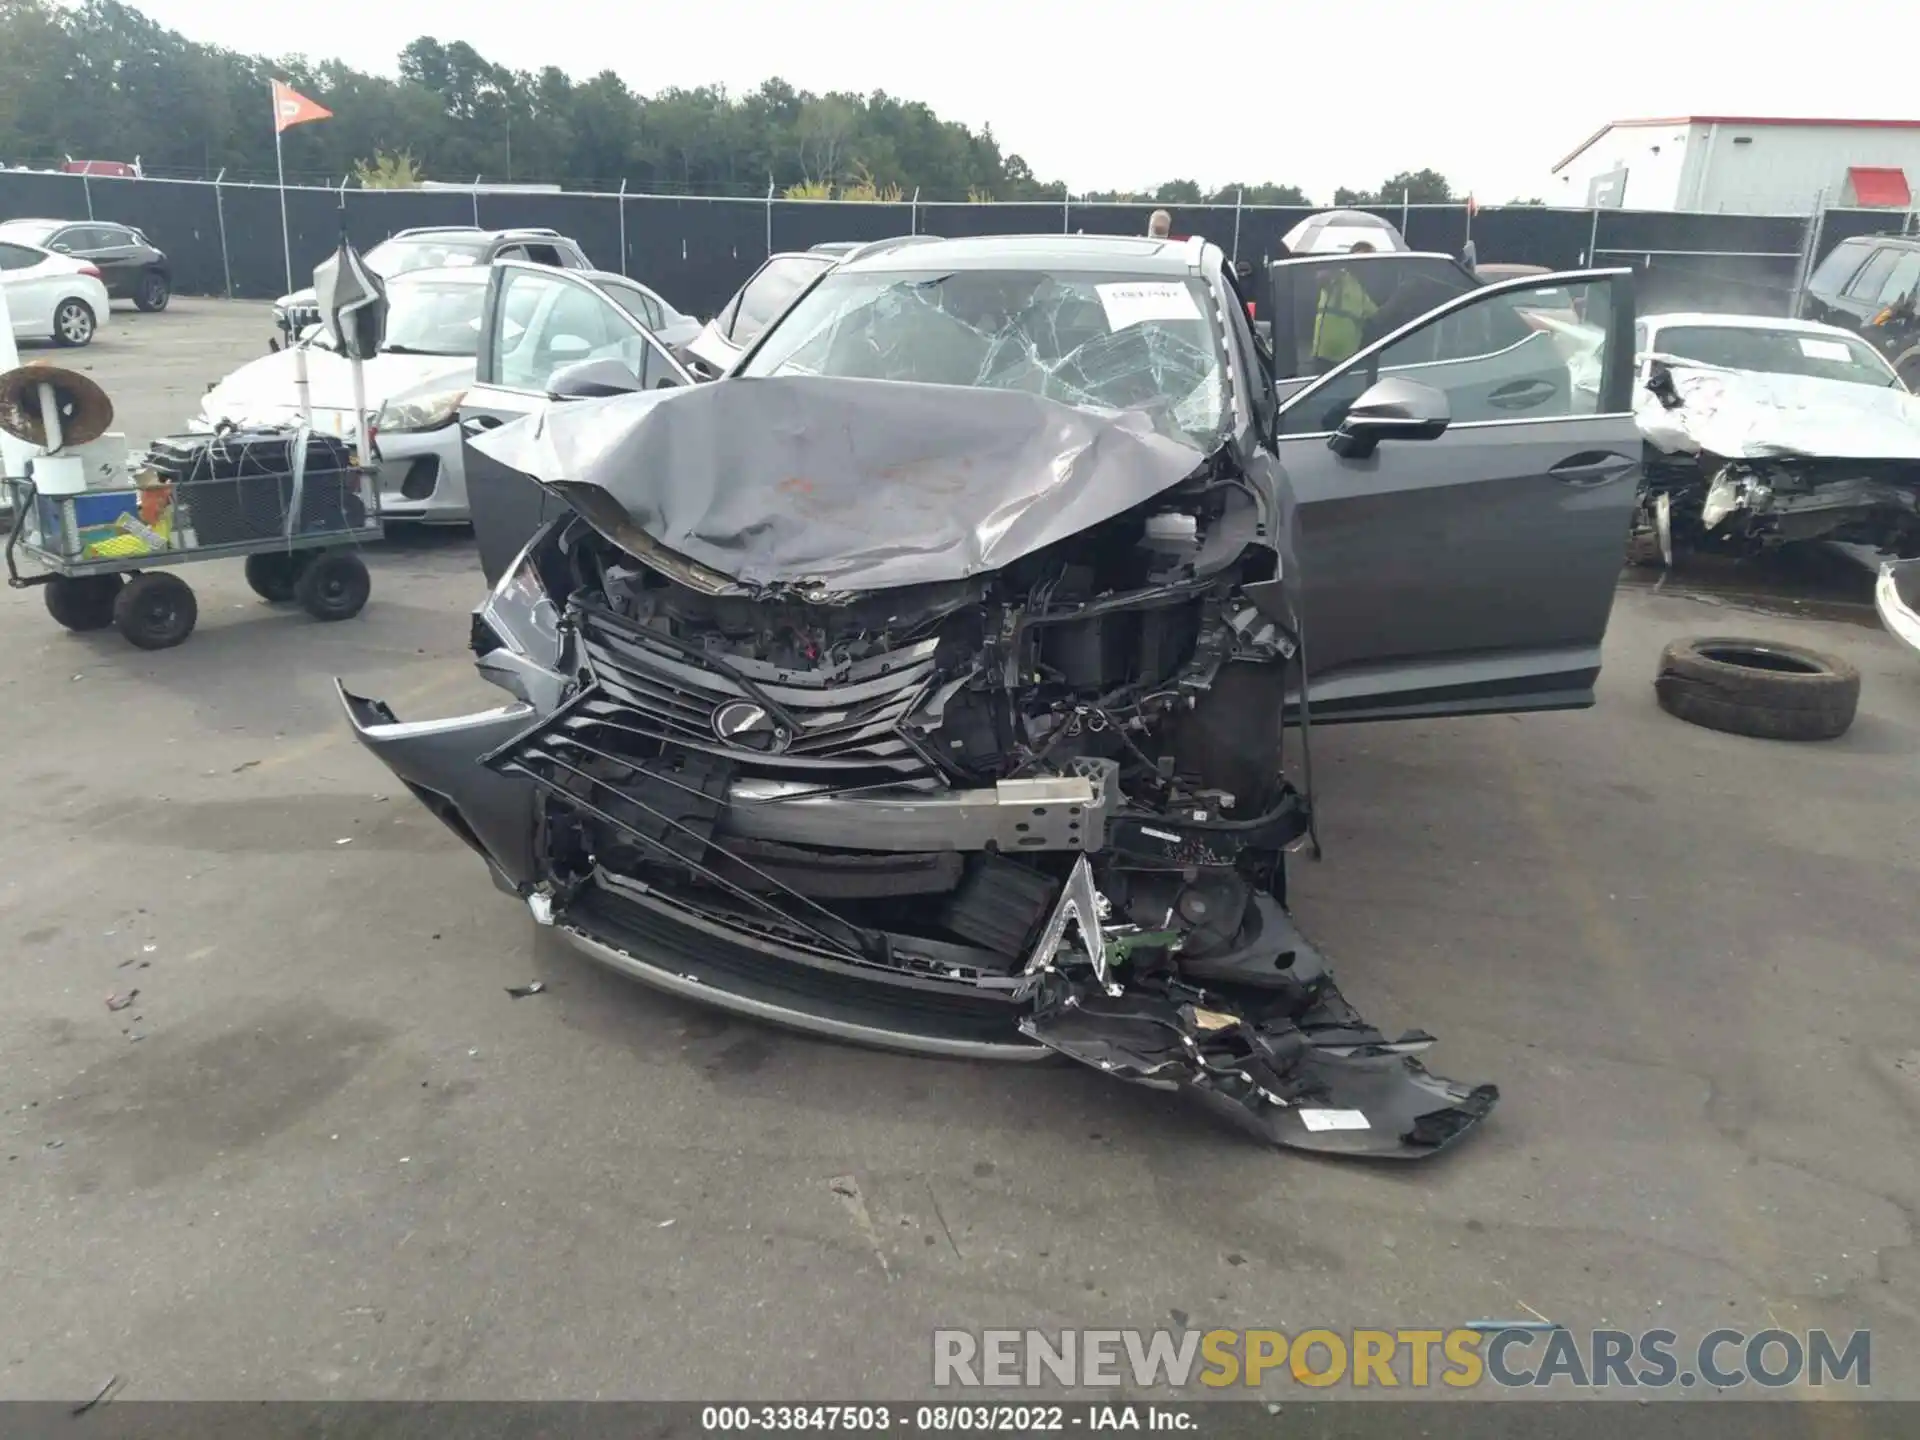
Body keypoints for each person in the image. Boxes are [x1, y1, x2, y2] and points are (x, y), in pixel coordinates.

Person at [1309, 241, 1379, 371]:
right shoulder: (1338, 276)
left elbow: (1377, 316)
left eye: (1369, 260)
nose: (1365, 264)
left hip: (1347, 359)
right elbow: (1321, 278)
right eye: (1361, 259)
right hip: (1324, 356)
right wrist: (1335, 266)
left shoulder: (1362, 289)